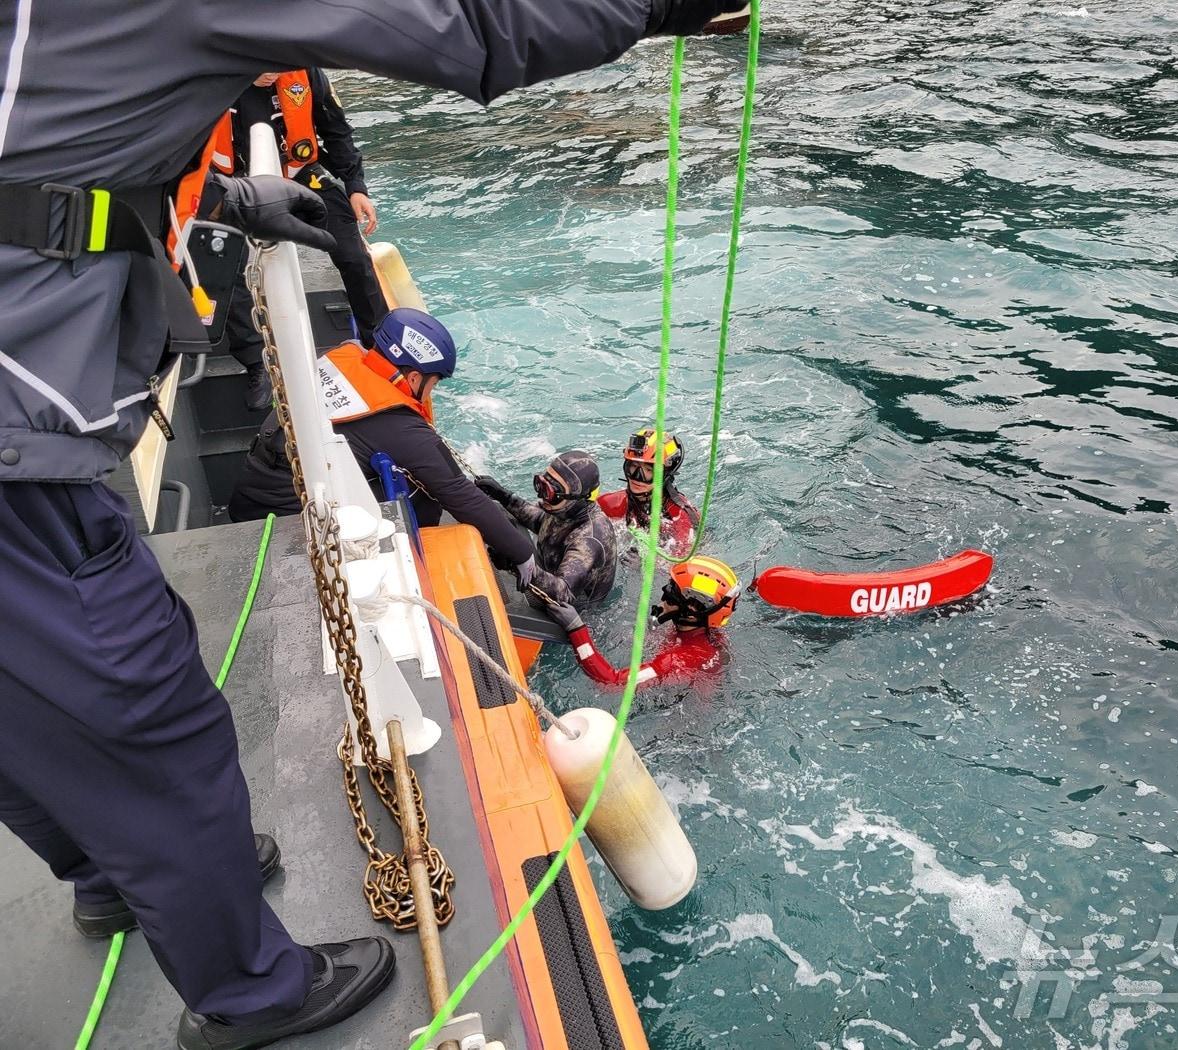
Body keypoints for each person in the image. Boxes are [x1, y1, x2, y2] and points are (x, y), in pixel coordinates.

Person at [0, 0, 744, 1046]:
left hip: (37, 440)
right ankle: (252, 994)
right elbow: (473, 26)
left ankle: (105, 874)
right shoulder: (401, 426)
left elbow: (47, 149)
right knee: (153, 721)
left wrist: (221, 193)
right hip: (17, 464)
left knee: (25, 711)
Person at [228, 307, 542, 578]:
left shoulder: (338, 357)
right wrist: (523, 554)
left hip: (252, 488)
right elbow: (460, 494)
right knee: (423, 490)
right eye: (433, 384)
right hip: (287, 517)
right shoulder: (397, 425)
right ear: (416, 378)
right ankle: (421, 562)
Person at [222, 68, 390, 410]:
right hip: (233, 185)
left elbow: (336, 130)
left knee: (352, 255)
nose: (272, 72)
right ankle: (257, 362)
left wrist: (356, 186)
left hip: (298, 175)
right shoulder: (208, 78)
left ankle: (381, 344)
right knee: (228, 266)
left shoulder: (306, 73)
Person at [558, 556, 740, 688]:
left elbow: (611, 680)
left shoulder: (678, 660)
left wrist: (576, 629)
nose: (661, 604)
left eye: (669, 599)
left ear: (691, 613)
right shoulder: (703, 632)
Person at [475, 450, 618, 610]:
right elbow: (539, 521)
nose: (542, 495)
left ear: (577, 499)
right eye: (541, 484)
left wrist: (516, 565)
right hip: (549, 570)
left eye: (550, 492)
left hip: (577, 613)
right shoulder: (564, 511)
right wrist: (504, 496)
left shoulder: (589, 539)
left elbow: (564, 595)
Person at [597, 426, 700, 551]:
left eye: (649, 470)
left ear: (665, 475)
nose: (638, 476)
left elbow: (680, 561)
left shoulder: (680, 518)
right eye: (633, 466)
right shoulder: (611, 504)